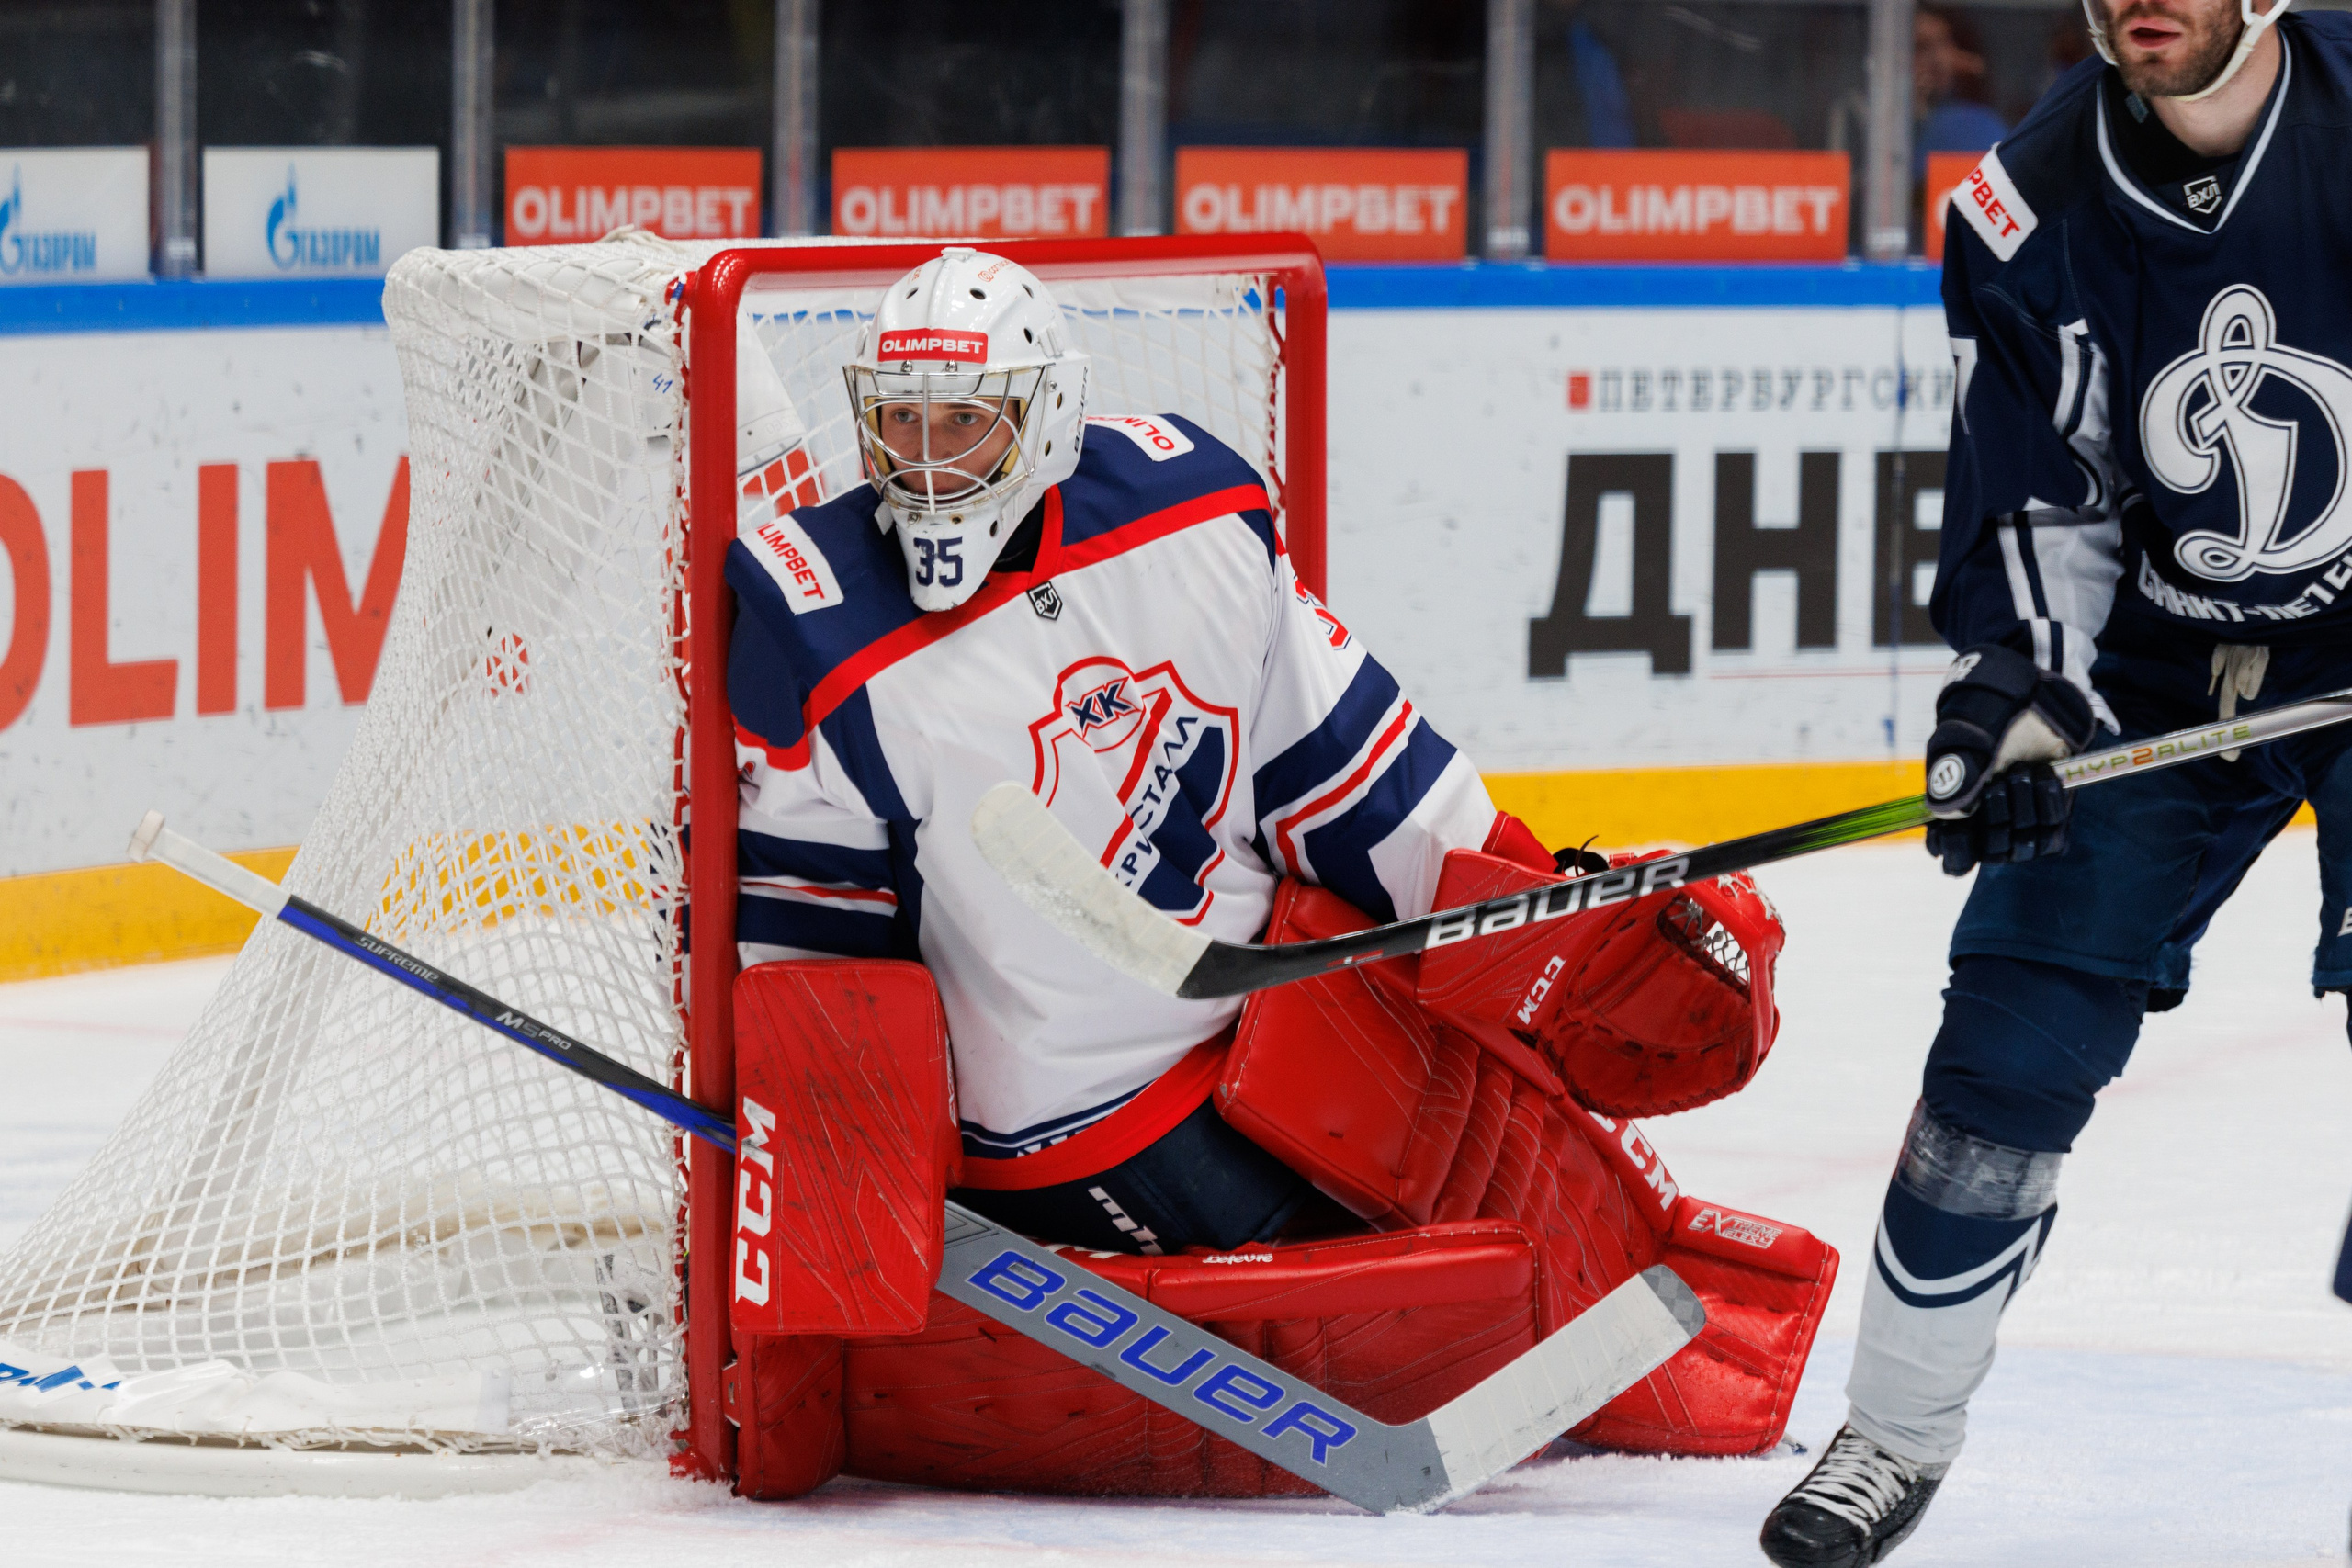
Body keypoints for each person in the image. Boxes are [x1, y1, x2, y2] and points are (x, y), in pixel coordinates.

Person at [1759, 2, 2340, 1564]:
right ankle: (1890, 1433)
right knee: (2004, 1056)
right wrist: (2014, 699)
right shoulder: (2028, 202)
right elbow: (2042, 489)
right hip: (2157, 668)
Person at [1916, 5, 2009, 179]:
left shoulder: (1975, 123)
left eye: (1946, 43)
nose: (1939, 60)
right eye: (1921, 47)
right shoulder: (1879, 125)